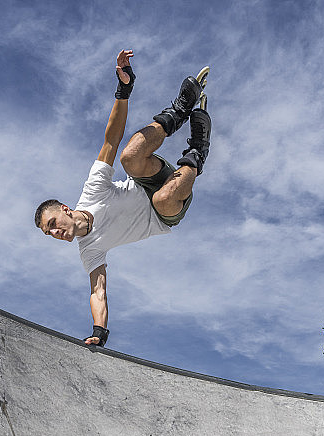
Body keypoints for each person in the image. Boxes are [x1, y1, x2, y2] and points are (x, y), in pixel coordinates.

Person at [34, 49, 211, 347]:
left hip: (150, 176)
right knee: (162, 200)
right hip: (167, 208)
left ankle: (178, 112)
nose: (54, 233)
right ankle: (198, 149)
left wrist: (124, 90)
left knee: (129, 157)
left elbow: (111, 140)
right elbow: (97, 291)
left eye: (52, 223)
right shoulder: (89, 252)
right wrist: (99, 331)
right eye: (48, 233)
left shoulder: (92, 190)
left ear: (65, 209)